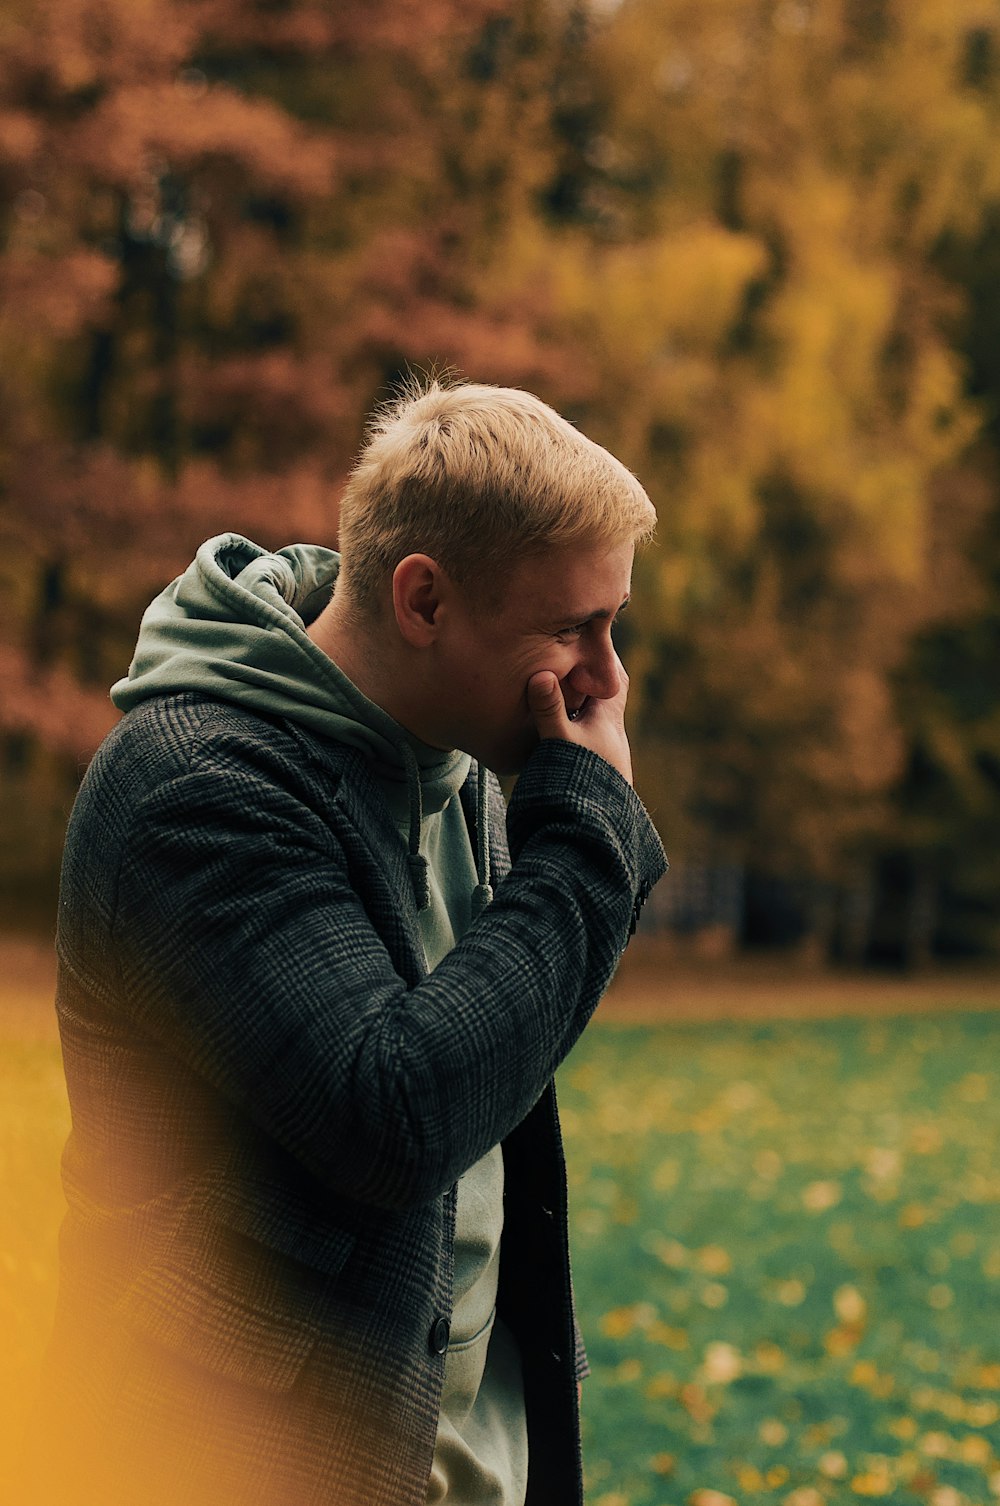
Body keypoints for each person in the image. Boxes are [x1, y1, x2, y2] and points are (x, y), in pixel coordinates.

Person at [24, 379, 667, 1506]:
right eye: (573, 629)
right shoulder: (198, 787)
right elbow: (394, 1114)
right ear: (423, 601)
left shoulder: (460, 757)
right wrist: (589, 842)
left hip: (466, 1453)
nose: (606, 680)